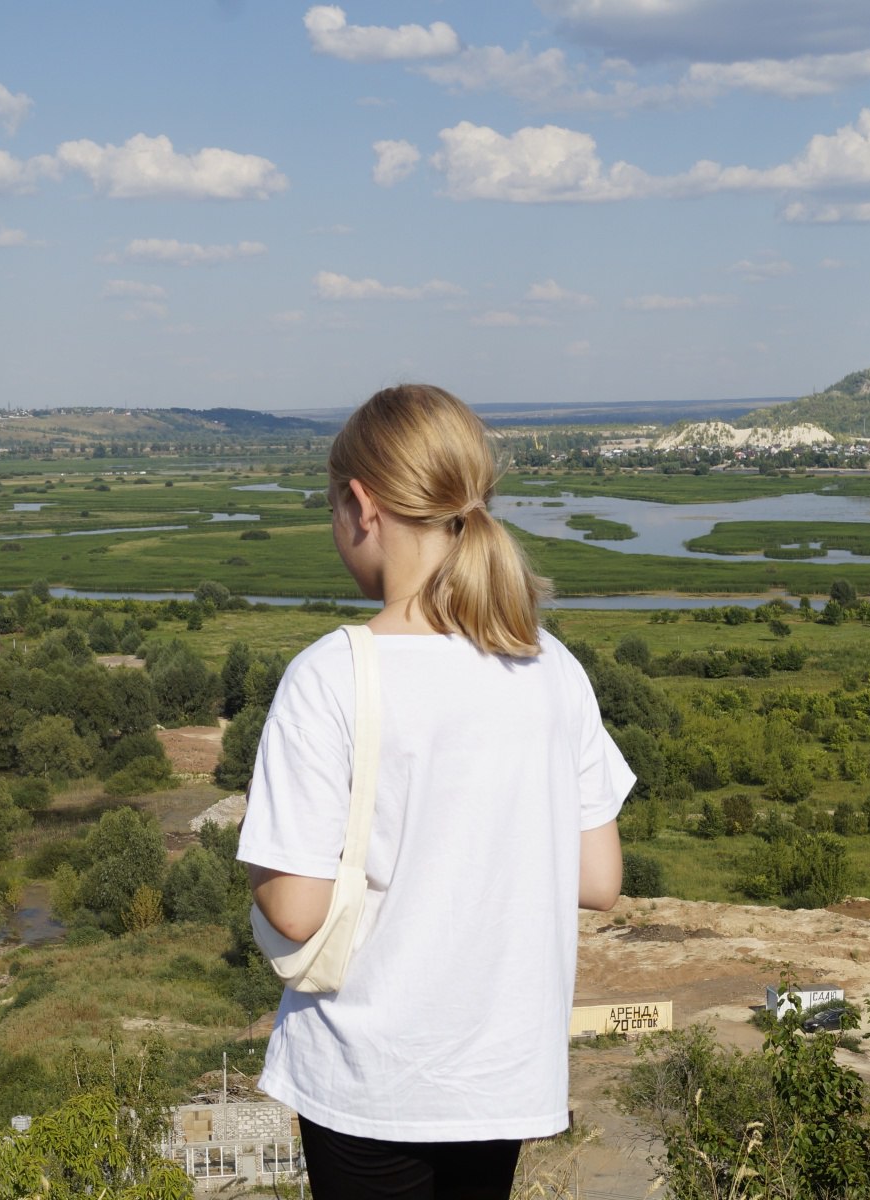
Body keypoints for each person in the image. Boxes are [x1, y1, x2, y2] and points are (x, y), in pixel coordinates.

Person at [237, 384, 635, 1199]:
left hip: (369, 1077)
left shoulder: (331, 674)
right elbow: (600, 882)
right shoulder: (548, 665)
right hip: (500, 1076)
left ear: (360, 506)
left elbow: (296, 911)